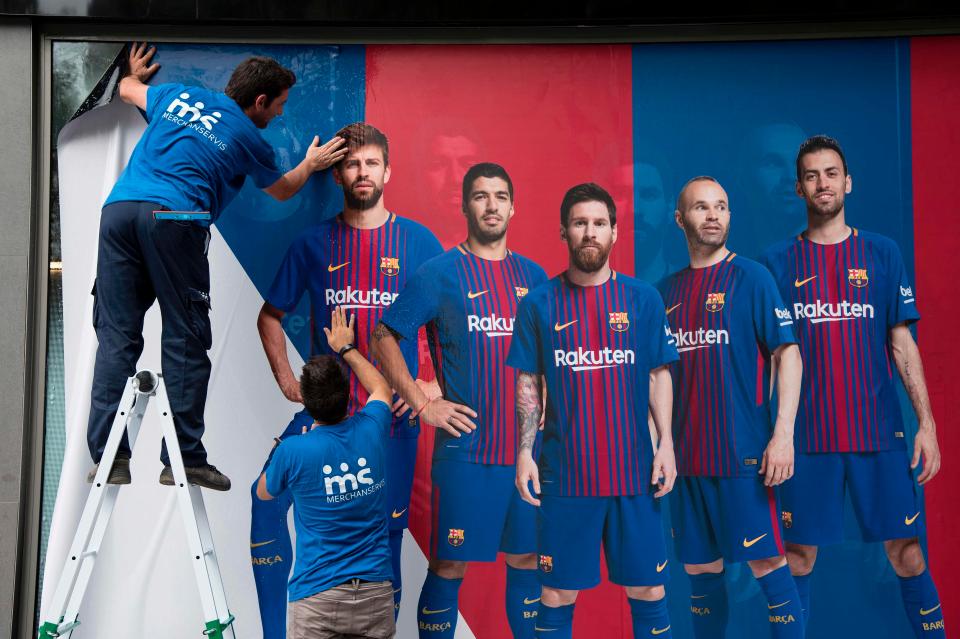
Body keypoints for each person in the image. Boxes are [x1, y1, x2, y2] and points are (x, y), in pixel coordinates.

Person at [86, 43, 348, 490]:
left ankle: (110, 457)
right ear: (259, 101)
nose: (281, 115)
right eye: (280, 105)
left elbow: (129, 88)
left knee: (116, 337)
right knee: (186, 337)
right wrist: (311, 164)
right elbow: (282, 190)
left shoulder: (176, 96)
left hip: (119, 211)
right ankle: (184, 458)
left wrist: (132, 72)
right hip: (175, 217)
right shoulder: (250, 138)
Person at [254, 122, 443, 636]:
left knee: (387, 538)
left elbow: (453, 328)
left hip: (391, 424)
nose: (363, 172)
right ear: (337, 175)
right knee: (263, 502)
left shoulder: (419, 243)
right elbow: (269, 316)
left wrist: (432, 387)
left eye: (372, 163)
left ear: (388, 171)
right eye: (353, 164)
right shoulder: (312, 244)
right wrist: (289, 382)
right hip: (325, 421)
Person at [760, 135, 945, 637]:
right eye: (813, 175)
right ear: (799, 188)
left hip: (879, 437)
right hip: (807, 443)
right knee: (796, 558)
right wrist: (774, 434)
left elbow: (902, 344)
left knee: (907, 554)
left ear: (848, 182)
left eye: (832, 173)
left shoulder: (882, 253)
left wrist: (926, 425)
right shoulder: (776, 263)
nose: (823, 183)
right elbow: (774, 359)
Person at [370, 162, 548, 639]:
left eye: (501, 196)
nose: (492, 205)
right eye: (481, 196)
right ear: (466, 205)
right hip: (468, 453)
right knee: (450, 564)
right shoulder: (439, 274)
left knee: (528, 559)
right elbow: (383, 336)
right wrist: (423, 402)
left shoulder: (534, 276)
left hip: (528, 456)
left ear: (514, 206)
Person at [506, 183, 679, 639]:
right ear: (563, 231)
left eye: (599, 223)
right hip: (565, 476)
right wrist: (525, 452)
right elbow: (528, 383)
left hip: (634, 474)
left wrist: (667, 446)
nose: (590, 232)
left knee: (649, 590)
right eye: (580, 223)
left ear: (614, 233)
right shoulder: (538, 303)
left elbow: (660, 374)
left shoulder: (643, 300)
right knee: (557, 595)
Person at [657, 176, 804, 637]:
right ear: (680, 219)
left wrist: (783, 434)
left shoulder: (752, 277)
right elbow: (653, 379)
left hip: (742, 457)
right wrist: (659, 446)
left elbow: (788, 353)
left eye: (721, 206)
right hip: (686, 463)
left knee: (767, 562)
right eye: (702, 208)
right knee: (701, 572)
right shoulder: (663, 293)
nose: (714, 215)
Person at [256, 306, 396, 639]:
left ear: (305, 400)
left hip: (317, 597)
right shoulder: (373, 429)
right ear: (349, 397)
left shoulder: (293, 451)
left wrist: (281, 453)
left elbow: (264, 492)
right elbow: (381, 389)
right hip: (375, 595)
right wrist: (346, 349)